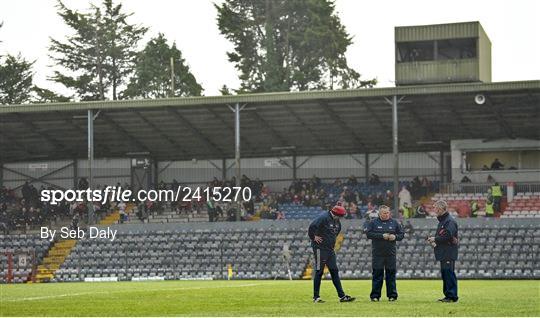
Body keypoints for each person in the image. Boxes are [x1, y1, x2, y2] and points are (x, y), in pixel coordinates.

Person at [308, 205, 355, 303]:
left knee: (334, 271)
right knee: (319, 271)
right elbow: (312, 226)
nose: (341, 218)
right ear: (336, 214)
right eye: (340, 216)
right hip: (320, 249)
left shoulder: (337, 221)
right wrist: (313, 237)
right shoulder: (323, 218)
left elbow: (335, 233)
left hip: (330, 249)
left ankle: (342, 296)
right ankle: (316, 297)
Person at [364, 205, 404, 301]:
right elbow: (368, 234)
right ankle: (375, 296)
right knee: (377, 275)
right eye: (384, 213)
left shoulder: (394, 223)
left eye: (387, 213)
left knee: (391, 275)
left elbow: (401, 234)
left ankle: (392, 296)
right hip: (378, 254)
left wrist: (395, 237)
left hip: (391, 254)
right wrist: (382, 236)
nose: (386, 215)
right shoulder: (373, 222)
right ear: (379, 213)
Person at [427, 200, 459, 302]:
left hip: (448, 252)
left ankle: (452, 296)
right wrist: (435, 242)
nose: (434, 210)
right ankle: (448, 296)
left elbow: (448, 235)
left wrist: (435, 239)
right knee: (445, 273)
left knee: (449, 273)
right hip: (444, 252)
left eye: (436, 208)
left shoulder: (449, 221)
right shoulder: (443, 221)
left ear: (441, 209)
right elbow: (444, 237)